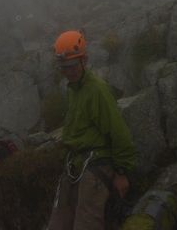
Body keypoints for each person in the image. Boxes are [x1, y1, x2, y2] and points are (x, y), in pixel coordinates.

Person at [47, 30, 136, 230]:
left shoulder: (96, 90)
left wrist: (121, 172)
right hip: (75, 164)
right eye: (63, 68)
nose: (68, 72)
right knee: (58, 224)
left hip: (96, 164)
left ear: (84, 60)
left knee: (86, 224)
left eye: (72, 66)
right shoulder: (73, 89)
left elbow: (118, 131)